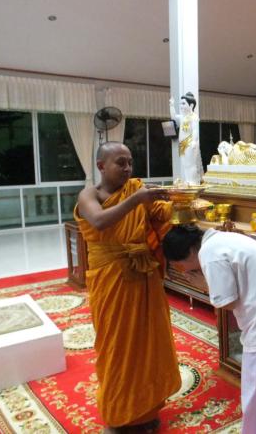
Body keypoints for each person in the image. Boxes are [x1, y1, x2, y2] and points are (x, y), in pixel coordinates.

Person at [74, 141, 181, 432]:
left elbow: (161, 212)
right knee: (116, 347)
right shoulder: (89, 195)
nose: (127, 168)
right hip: (110, 278)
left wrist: (180, 202)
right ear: (101, 166)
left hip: (143, 275)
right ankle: (118, 415)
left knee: (149, 343)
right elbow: (98, 221)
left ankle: (146, 410)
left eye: (130, 162)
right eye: (120, 162)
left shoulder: (136, 189)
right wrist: (137, 200)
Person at [161, 226, 256, 434]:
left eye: (180, 265)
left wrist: (204, 285)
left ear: (191, 251)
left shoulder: (209, 253)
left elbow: (227, 300)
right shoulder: (225, 238)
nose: (185, 271)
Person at [169, 92, 203, 185]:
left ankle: (193, 181)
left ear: (191, 105)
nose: (181, 106)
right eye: (181, 103)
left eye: (183, 103)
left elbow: (195, 130)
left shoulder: (194, 117)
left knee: (191, 164)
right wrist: (171, 105)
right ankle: (188, 180)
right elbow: (173, 117)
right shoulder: (183, 117)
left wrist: (194, 141)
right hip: (182, 143)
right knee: (185, 164)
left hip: (189, 142)